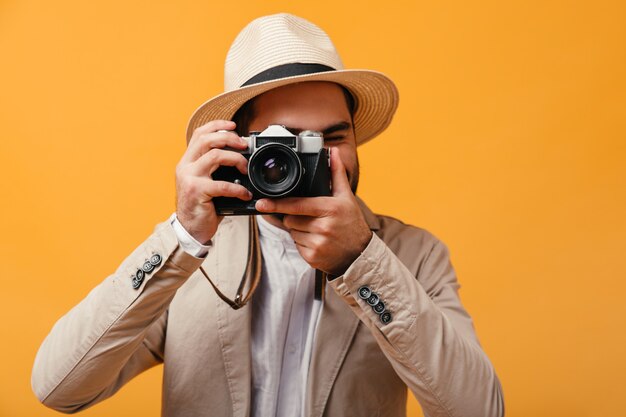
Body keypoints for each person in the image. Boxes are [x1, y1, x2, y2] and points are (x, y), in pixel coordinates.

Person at [31, 13, 504, 417]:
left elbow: (480, 409)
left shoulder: (415, 256)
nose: (308, 162)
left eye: (330, 139)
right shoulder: (192, 257)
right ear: (240, 146)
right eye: (286, 142)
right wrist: (182, 238)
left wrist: (361, 263)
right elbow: (58, 388)